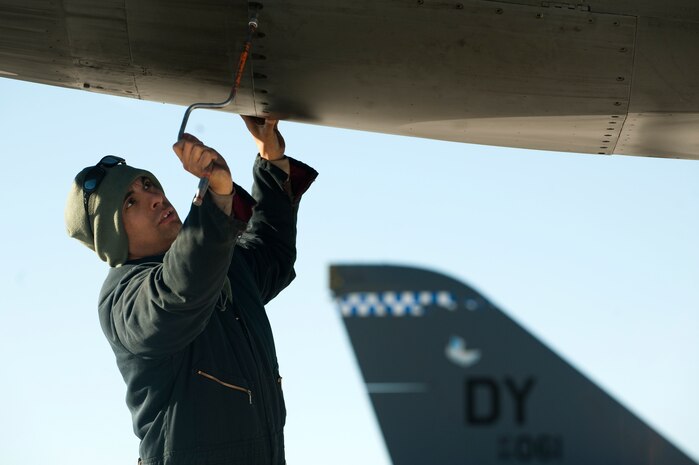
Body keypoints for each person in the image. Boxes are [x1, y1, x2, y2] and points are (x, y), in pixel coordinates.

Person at [64, 116, 318, 465]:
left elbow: (272, 253)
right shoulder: (123, 297)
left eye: (147, 184)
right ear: (113, 237)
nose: (153, 197)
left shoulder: (219, 263)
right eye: (130, 203)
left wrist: (271, 158)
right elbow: (179, 292)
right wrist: (216, 198)